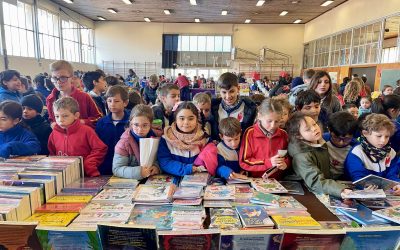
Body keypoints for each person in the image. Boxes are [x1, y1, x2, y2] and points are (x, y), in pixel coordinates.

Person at [287, 112, 352, 198]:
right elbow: (315, 181)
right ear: (299, 136)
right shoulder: (301, 155)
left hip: (320, 187)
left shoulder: (319, 141)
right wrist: (340, 190)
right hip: (304, 191)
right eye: (308, 129)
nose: (314, 129)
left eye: (314, 124)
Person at [48, 97, 107, 177]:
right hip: (62, 176)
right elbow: (52, 153)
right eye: (57, 116)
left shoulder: (87, 131)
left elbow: (100, 148)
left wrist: (89, 163)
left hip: (85, 175)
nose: (60, 120)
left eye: (65, 116)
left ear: (76, 115)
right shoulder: (54, 133)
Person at [345, 114, 400, 189]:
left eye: (387, 136)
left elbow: (392, 175)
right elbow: (357, 177)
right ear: (365, 133)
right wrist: (365, 186)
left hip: (383, 192)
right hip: (361, 190)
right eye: (379, 136)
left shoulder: (391, 152)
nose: (383, 140)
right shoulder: (357, 152)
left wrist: (396, 184)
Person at [239, 98, 290, 178]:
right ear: (259, 116)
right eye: (269, 121)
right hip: (254, 180)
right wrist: (268, 162)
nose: (273, 126)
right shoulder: (250, 133)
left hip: (278, 182)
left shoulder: (283, 134)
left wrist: (286, 164)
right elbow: (244, 162)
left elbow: (288, 157)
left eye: (277, 121)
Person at [157, 102, 211, 176]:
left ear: (197, 120)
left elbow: (209, 162)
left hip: (198, 180)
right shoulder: (166, 139)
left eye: (191, 118)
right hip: (172, 181)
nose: (186, 122)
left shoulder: (205, 139)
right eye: (182, 118)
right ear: (175, 119)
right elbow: (165, 162)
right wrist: (188, 168)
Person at [46, 60, 102, 128]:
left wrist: (83, 122)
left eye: (63, 78)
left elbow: (99, 118)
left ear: (72, 78)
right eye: (54, 78)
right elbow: (51, 119)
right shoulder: (50, 99)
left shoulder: (84, 97)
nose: (58, 82)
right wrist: (53, 123)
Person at [113, 104, 160, 179]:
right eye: (136, 125)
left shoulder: (159, 138)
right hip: (133, 181)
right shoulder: (124, 143)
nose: (140, 129)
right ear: (131, 124)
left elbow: (164, 159)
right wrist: (139, 172)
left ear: (150, 124)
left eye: (145, 125)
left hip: (152, 180)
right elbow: (117, 169)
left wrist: (157, 167)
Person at [210, 72, 257, 141]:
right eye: (224, 92)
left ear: (238, 89)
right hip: (219, 149)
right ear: (219, 91)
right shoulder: (213, 107)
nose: (228, 96)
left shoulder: (249, 108)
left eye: (231, 91)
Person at [96, 86, 130, 175]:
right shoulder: (101, 123)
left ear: (125, 102)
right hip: (105, 167)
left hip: (126, 167)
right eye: (109, 101)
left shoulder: (132, 122)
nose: (112, 104)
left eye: (116, 101)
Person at [323, 111, 359, 180]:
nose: (341, 142)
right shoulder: (322, 140)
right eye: (336, 137)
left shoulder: (356, 147)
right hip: (325, 179)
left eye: (347, 139)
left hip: (346, 179)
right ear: (330, 130)